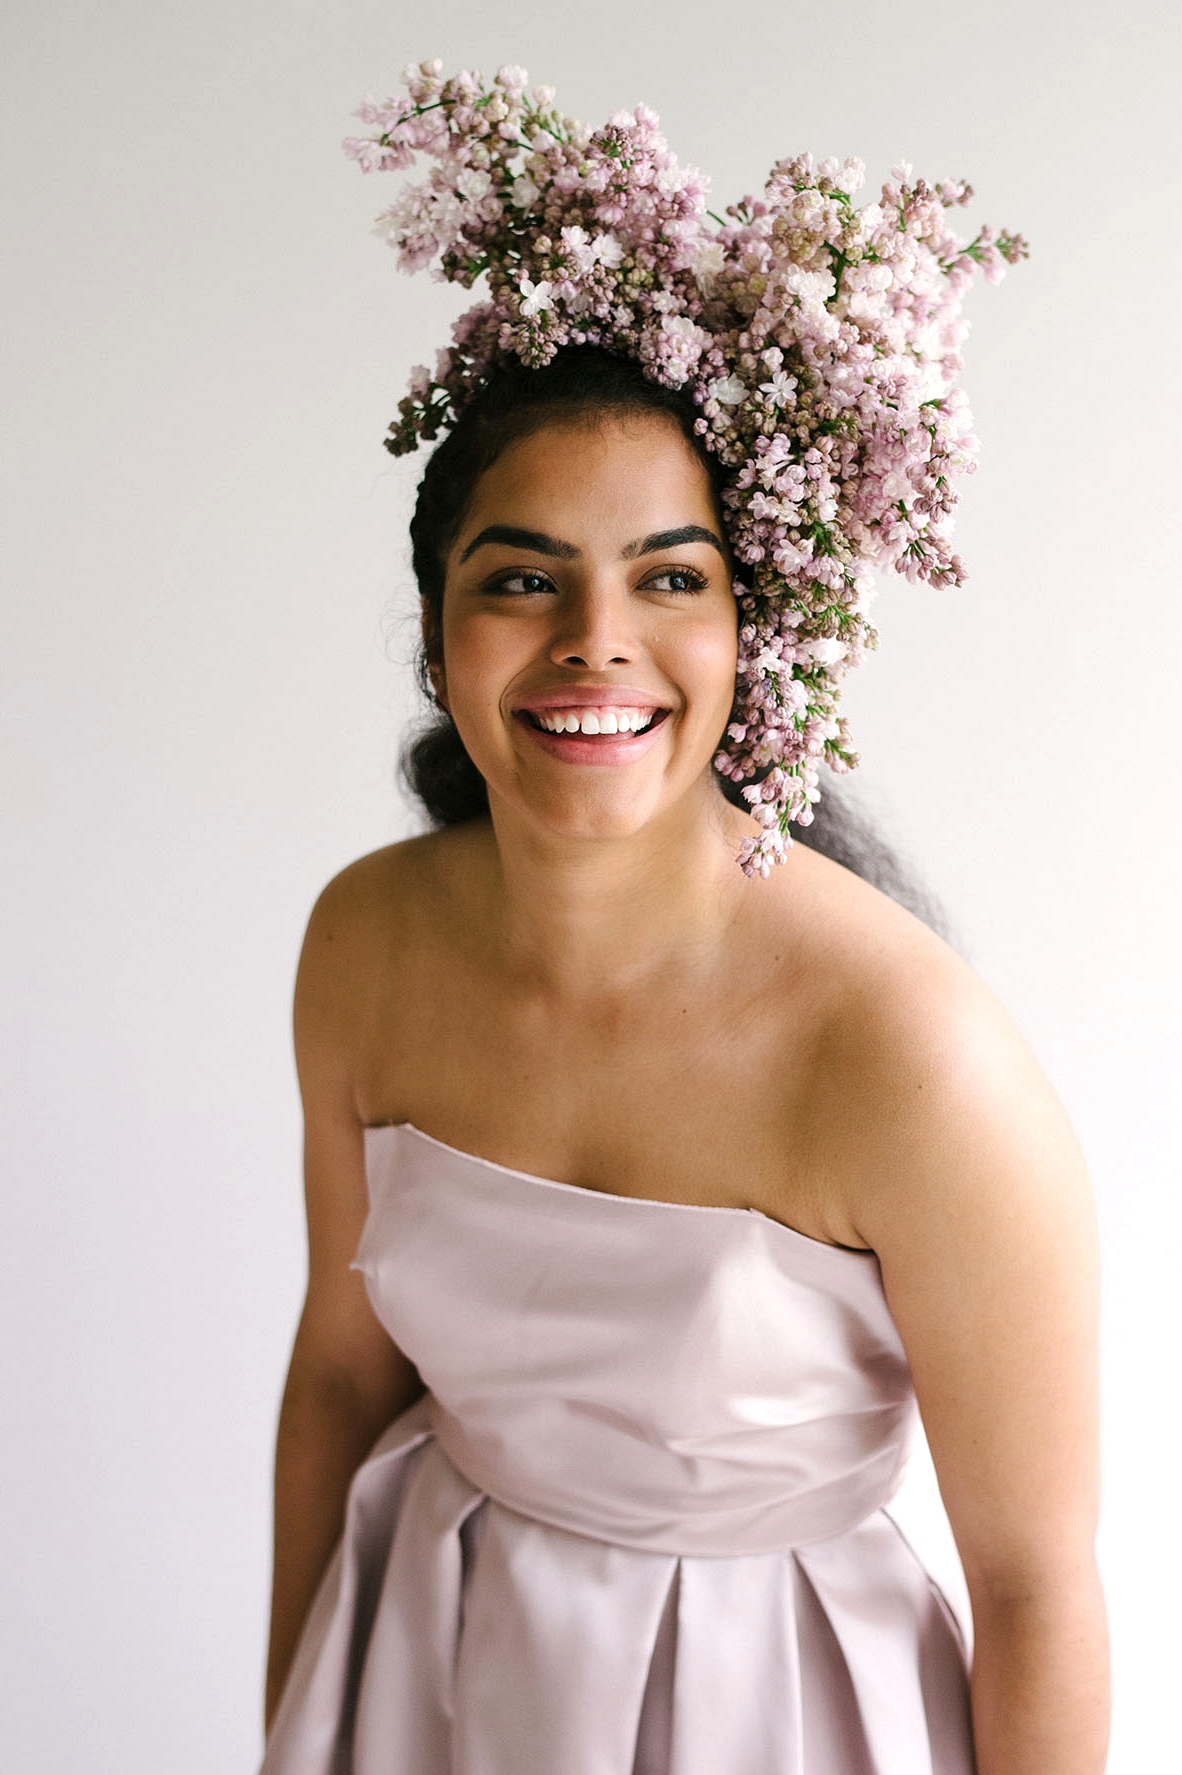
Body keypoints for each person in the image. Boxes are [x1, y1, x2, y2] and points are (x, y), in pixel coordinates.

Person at [260, 67, 1108, 1774]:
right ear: (439, 640)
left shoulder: (907, 1054)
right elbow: (343, 1378)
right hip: (426, 1667)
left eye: (668, 576)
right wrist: (291, 1718)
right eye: (521, 578)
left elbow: (1031, 1584)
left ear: (749, 633)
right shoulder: (365, 939)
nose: (594, 642)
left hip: (773, 1714)